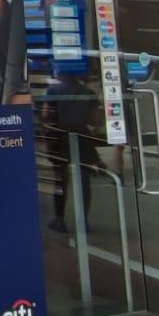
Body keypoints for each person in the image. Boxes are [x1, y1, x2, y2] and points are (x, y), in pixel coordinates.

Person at [42, 76, 104, 233]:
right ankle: (83, 221)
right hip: (82, 136)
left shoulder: (53, 90)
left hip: (60, 137)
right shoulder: (88, 92)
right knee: (84, 181)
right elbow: (97, 121)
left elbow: (45, 115)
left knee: (60, 180)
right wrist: (91, 132)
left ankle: (60, 220)